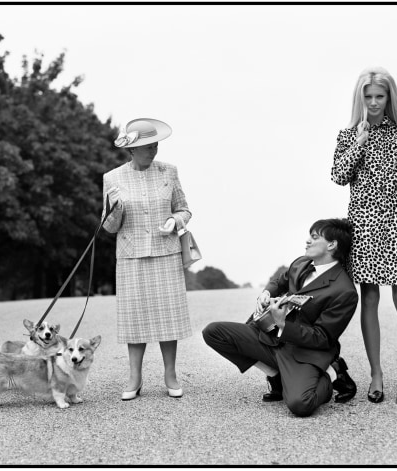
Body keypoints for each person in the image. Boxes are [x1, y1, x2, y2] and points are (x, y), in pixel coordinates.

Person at [331, 66, 397, 405]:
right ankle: (376, 374)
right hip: (364, 226)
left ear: (389, 97)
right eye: (368, 96)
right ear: (360, 98)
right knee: (370, 299)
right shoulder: (347, 135)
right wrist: (360, 141)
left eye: (380, 96)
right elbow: (338, 176)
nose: (374, 102)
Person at [202, 219, 358, 417]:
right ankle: (275, 375)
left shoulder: (345, 291)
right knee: (213, 333)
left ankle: (333, 372)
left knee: (301, 404)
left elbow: (323, 338)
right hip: (270, 337)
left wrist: (283, 324)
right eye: (309, 236)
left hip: (303, 353)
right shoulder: (301, 263)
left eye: (314, 237)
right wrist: (266, 293)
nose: (308, 241)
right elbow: (279, 281)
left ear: (332, 244)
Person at [102, 118, 192, 400]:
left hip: (166, 252)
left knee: (168, 315)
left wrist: (174, 220)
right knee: (134, 318)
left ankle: (170, 374)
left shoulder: (169, 171)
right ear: (132, 150)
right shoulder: (112, 178)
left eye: (155, 146)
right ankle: (134, 377)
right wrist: (114, 209)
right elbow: (109, 227)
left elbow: (185, 210)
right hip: (130, 254)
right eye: (147, 147)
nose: (153, 151)